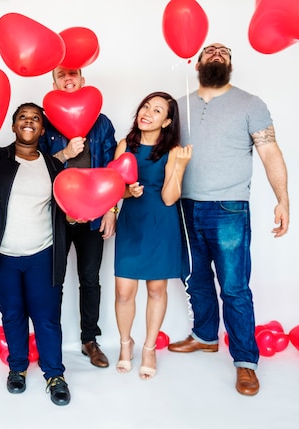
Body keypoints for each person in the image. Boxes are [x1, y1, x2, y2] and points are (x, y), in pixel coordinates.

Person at [167, 43, 290, 396]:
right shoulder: (179, 106)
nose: (217, 54)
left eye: (224, 52)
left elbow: (270, 152)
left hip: (229, 208)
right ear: (198, 63)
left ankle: (245, 362)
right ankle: (205, 336)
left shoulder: (250, 104)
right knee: (195, 278)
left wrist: (283, 200)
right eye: (210, 50)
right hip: (184, 207)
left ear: (231, 64)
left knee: (235, 288)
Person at [0, 102, 70, 406]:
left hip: (43, 253)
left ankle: (55, 374)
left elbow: (65, 208)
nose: (29, 121)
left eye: (35, 118)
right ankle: (18, 368)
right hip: (3, 255)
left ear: (42, 128)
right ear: (13, 126)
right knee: (12, 313)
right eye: (23, 117)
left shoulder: (53, 165)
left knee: (47, 316)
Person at [39, 66, 117, 368]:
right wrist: (66, 153)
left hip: (94, 215)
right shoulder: (46, 122)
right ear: (54, 82)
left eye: (73, 73)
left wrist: (111, 210)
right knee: (52, 279)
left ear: (83, 80)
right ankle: (51, 341)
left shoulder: (102, 122)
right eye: (62, 75)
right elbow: (39, 168)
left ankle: (89, 340)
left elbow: (112, 169)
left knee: (90, 279)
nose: (68, 78)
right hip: (57, 215)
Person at [113, 92, 191, 380]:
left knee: (156, 289)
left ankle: (148, 348)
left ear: (167, 121)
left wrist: (180, 166)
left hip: (161, 222)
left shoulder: (172, 151)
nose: (147, 112)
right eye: (146, 106)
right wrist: (126, 192)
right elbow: (113, 189)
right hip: (132, 221)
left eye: (156, 110)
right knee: (124, 291)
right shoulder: (125, 145)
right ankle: (125, 344)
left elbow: (170, 198)